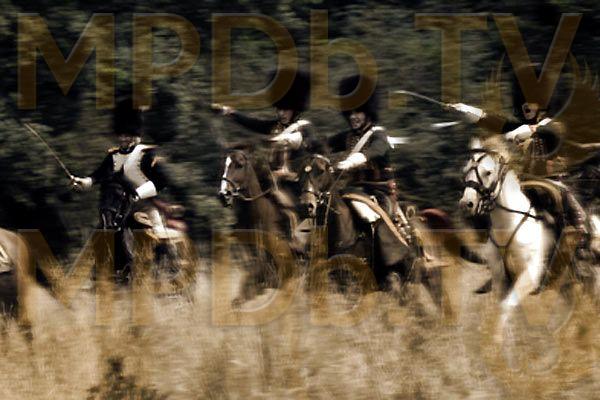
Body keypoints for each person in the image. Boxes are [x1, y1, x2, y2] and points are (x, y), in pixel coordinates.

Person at [449, 63, 589, 245]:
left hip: (552, 178)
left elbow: (542, 130)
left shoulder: (555, 125)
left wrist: (525, 131)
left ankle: (580, 231)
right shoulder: (520, 127)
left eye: (530, 103)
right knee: (491, 196)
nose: (525, 107)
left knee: (561, 192)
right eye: (524, 103)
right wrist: (464, 109)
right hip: (526, 180)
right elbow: (490, 120)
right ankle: (485, 238)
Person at [70, 98, 173, 283]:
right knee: (102, 232)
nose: (124, 139)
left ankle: (167, 269)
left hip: (143, 205)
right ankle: (107, 270)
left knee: (158, 233)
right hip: (118, 206)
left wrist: (138, 193)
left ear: (135, 135)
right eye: (121, 135)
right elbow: (98, 175)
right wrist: (83, 181)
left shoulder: (147, 154)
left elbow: (162, 181)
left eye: (128, 135)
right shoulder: (113, 156)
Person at [327, 74, 412, 283]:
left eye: (358, 111)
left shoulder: (378, 134)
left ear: (368, 112)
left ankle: (391, 264)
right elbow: (322, 145)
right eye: (350, 112)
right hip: (353, 190)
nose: (353, 116)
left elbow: (377, 150)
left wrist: (353, 160)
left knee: (372, 217)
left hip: (379, 191)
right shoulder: (347, 136)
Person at [212, 69, 315, 208]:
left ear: (294, 109)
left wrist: (277, 140)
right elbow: (252, 123)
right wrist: (229, 112)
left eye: (285, 109)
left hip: (295, 183)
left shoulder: (303, 128)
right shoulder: (274, 126)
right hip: (272, 180)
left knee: (298, 207)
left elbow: (296, 139)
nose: (281, 113)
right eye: (279, 109)